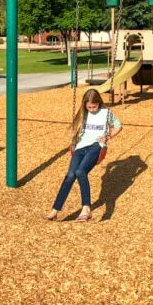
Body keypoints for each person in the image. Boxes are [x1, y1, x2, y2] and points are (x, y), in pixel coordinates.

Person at [45, 89, 122, 222]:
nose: (92, 109)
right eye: (89, 107)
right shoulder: (83, 113)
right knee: (70, 175)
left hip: (96, 146)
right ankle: (55, 210)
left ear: (99, 103)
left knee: (81, 171)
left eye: (94, 106)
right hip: (80, 147)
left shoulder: (106, 113)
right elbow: (76, 130)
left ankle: (86, 209)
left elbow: (118, 126)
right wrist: (74, 142)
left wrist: (109, 136)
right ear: (85, 105)